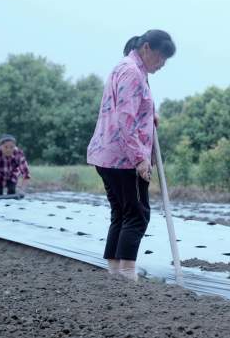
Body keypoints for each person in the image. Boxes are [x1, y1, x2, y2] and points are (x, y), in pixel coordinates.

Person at [87, 29, 175, 281]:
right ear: (146, 48)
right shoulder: (133, 73)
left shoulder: (124, 68)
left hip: (107, 154)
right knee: (137, 214)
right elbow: (126, 119)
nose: (162, 64)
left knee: (122, 212)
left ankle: (115, 271)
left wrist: (150, 116)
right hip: (123, 158)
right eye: (160, 57)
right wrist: (139, 158)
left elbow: (131, 110)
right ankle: (127, 274)